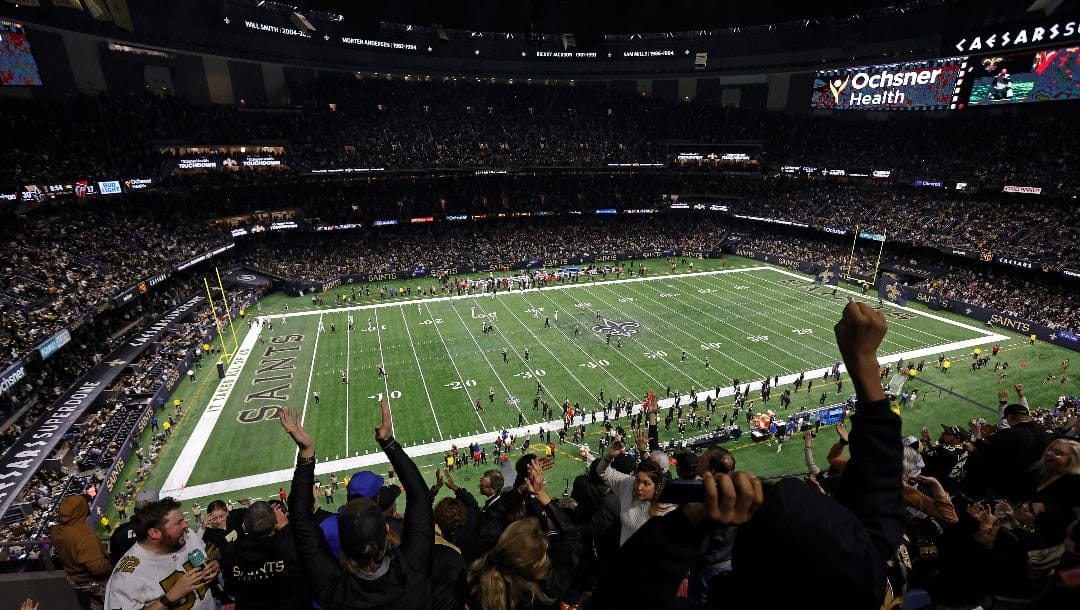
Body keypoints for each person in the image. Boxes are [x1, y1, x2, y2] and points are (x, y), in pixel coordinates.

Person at [279, 399, 433, 609]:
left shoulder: (333, 592)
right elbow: (420, 497)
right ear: (387, 530)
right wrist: (388, 442)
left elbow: (299, 517)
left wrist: (306, 452)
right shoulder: (412, 570)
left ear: (342, 542)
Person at [104, 498, 220, 610]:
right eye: (179, 522)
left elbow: (210, 554)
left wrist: (214, 563)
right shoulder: (126, 576)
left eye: (183, 520)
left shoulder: (185, 535)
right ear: (154, 533)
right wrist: (169, 598)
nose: (185, 525)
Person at [220, 501, 309, 609]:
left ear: (245, 526)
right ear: (276, 522)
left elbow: (231, 586)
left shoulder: (231, 551)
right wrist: (287, 527)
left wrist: (244, 527)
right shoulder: (291, 545)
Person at [50, 494, 112, 610]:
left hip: (76, 581)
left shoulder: (55, 531)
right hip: (95, 582)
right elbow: (98, 568)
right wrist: (112, 568)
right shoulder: (83, 536)